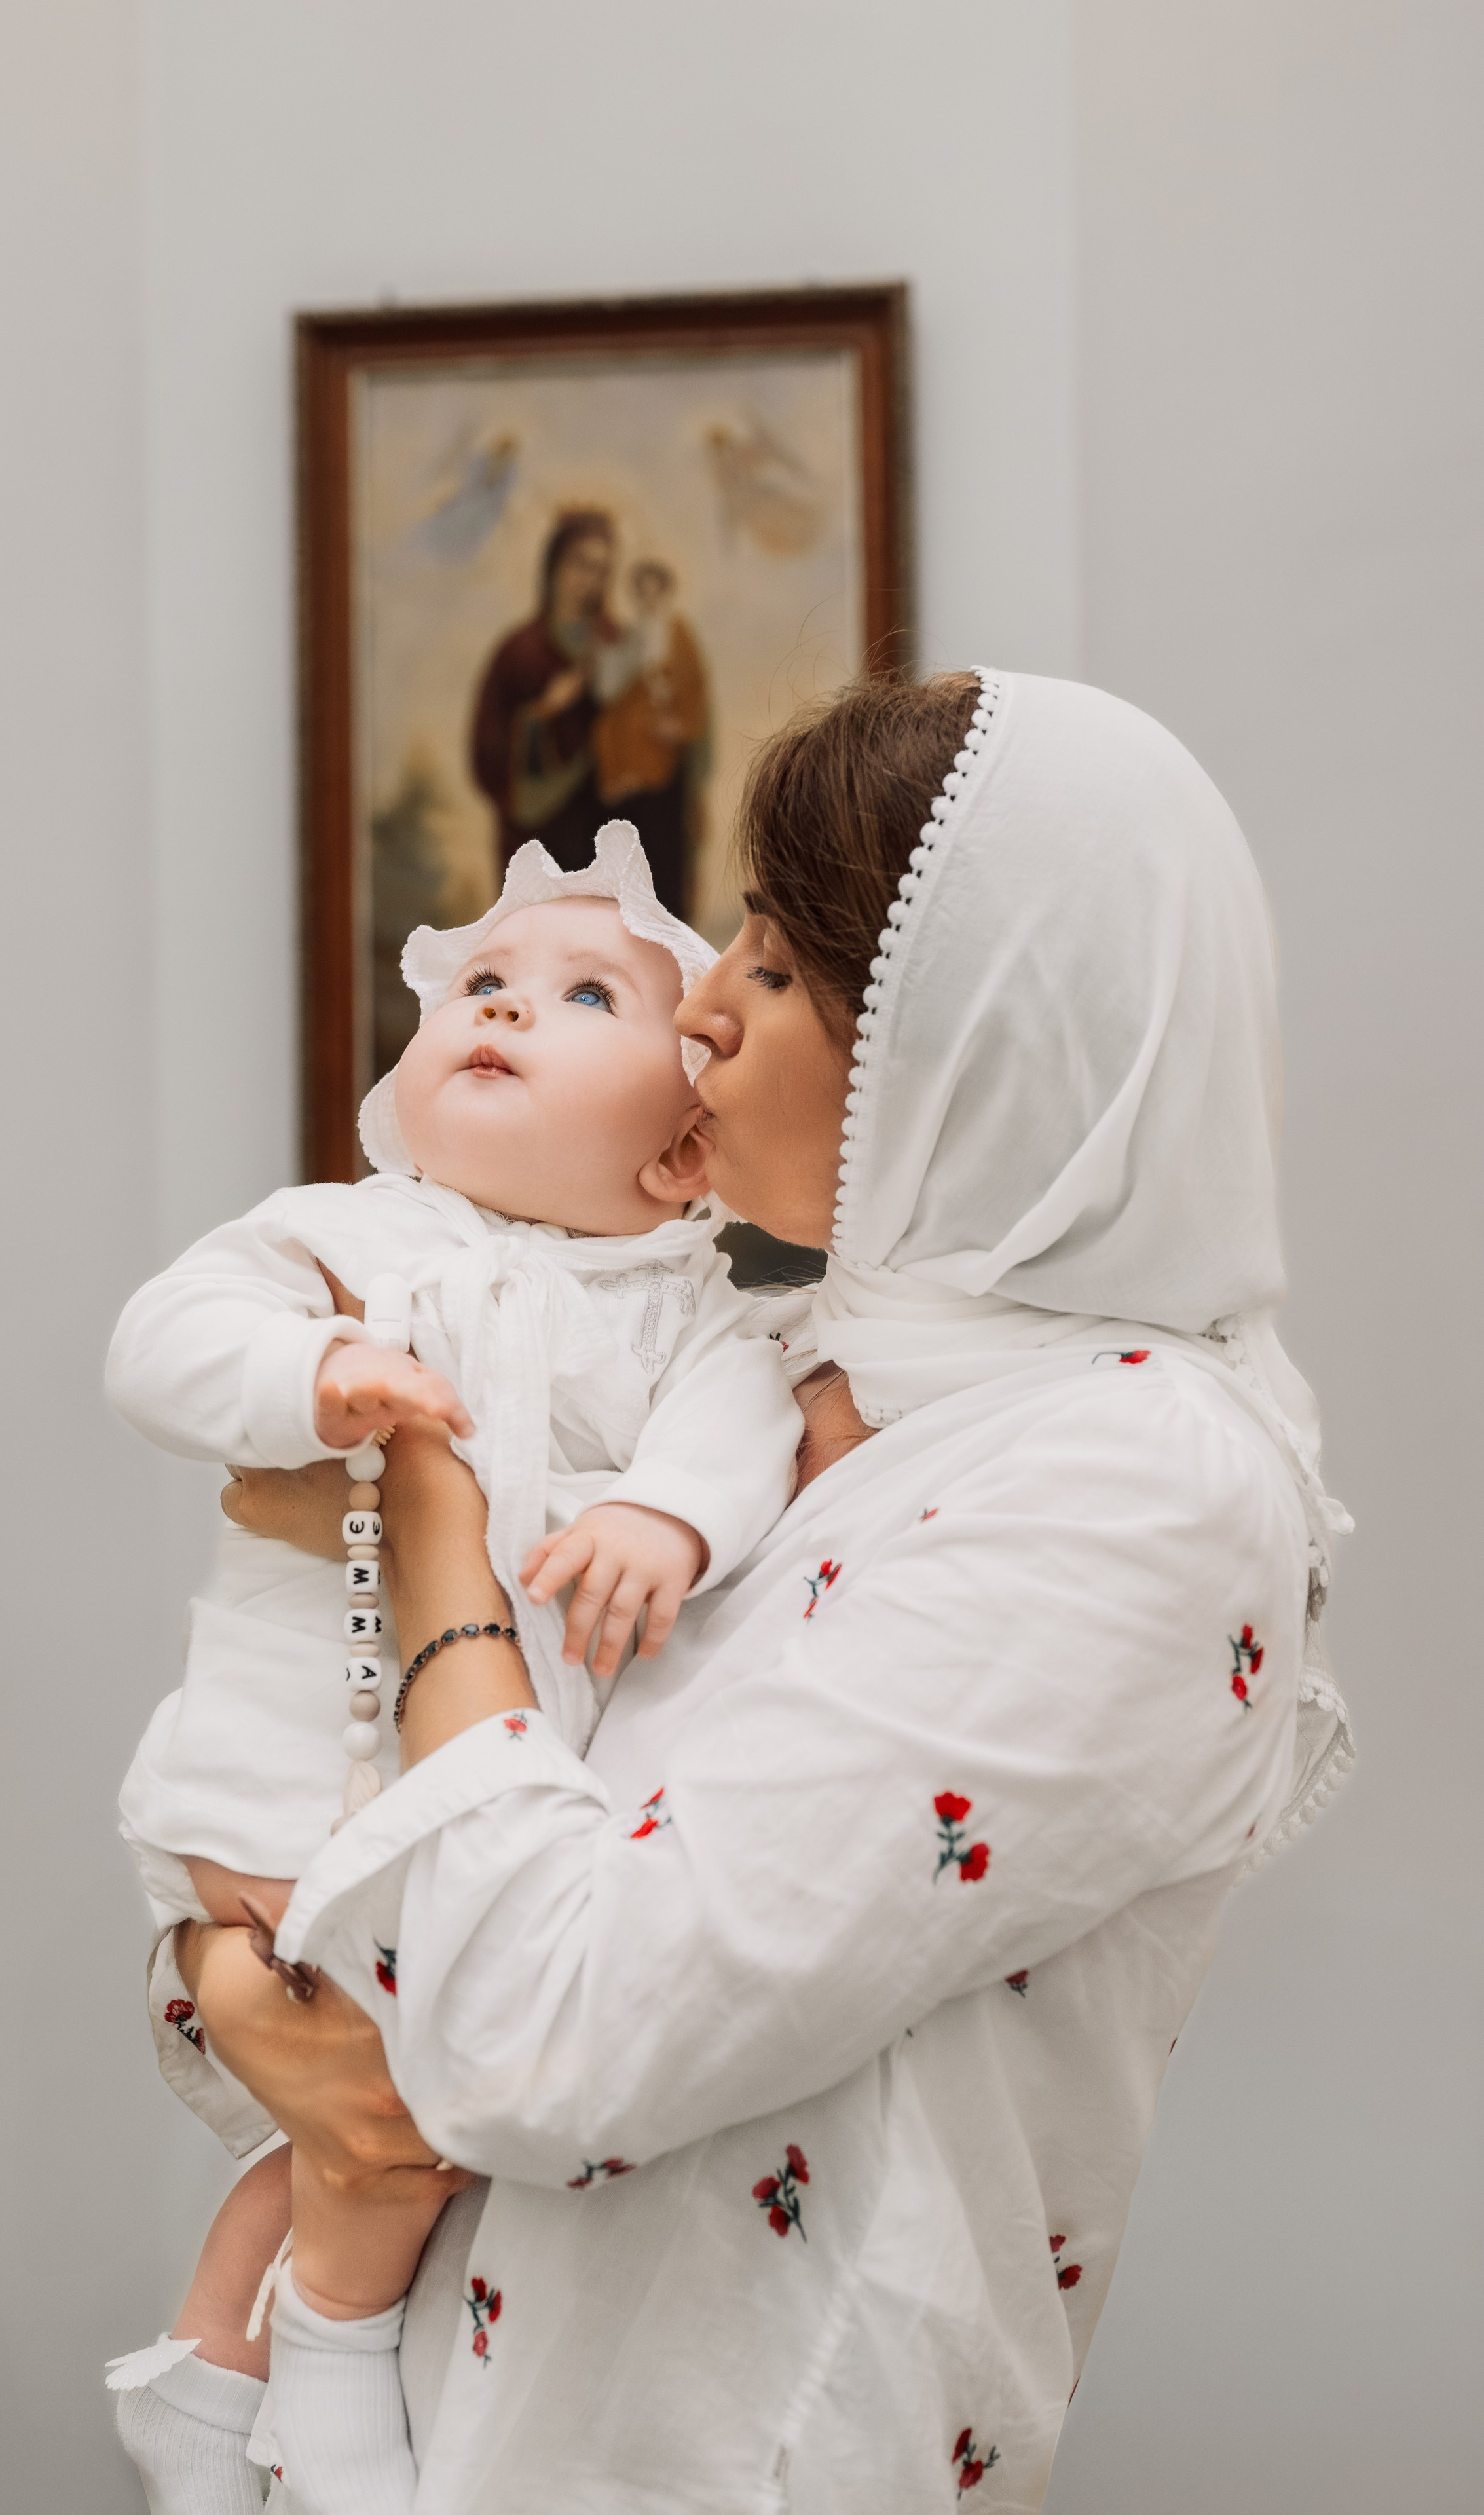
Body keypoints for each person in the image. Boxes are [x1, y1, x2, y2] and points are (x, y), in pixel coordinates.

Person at [171, 670, 1354, 2510]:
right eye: (736, 931)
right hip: (414, 2423)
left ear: (980, 1044)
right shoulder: (769, 1354)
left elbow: (553, 2033)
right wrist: (222, 1978)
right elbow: (329, 1836)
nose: (703, 1011)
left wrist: (428, 1523)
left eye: (785, 970)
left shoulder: (1139, 1481)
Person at [102, 827, 804, 2514]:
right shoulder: (348, 1236)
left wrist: (662, 1515)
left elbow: (743, 1424)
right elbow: (160, 1341)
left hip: (476, 1797)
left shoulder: (697, 1308)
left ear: (678, 1157)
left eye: (580, 994)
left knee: (374, 2110)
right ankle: (333, 2366)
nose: (503, 1005)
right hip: (283, 1770)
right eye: (478, 985)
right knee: (385, 2097)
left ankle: (206, 2377)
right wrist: (312, 1367)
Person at [468, 509, 623, 876]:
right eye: (581, 564)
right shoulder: (520, 652)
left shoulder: (616, 646)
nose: (591, 580)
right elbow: (486, 751)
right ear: (554, 567)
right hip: (535, 837)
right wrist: (546, 711)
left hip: (602, 830)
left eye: (602, 570)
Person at [591, 557, 710, 919]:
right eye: (642, 593)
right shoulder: (629, 638)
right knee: (630, 857)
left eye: (654, 592)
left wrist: (679, 726)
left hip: (665, 765)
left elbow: (695, 692)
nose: (648, 600)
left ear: (664, 593)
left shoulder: (679, 635)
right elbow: (611, 700)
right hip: (631, 764)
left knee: (665, 853)